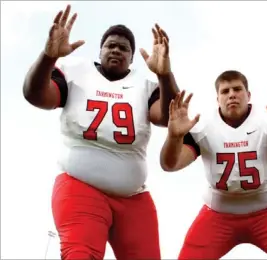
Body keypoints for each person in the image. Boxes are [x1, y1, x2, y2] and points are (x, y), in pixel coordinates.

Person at [23, 4, 180, 260]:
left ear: (132, 57)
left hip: (133, 196)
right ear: (101, 51)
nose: (116, 50)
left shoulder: (144, 84)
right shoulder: (76, 72)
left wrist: (165, 75)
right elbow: (36, 95)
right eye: (111, 45)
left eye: (124, 48)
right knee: (80, 254)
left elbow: (166, 117)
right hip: (80, 185)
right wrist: (48, 56)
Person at [160, 70, 267, 259]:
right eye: (225, 91)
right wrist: (173, 137)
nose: (232, 95)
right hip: (218, 214)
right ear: (217, 98)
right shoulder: (202, 126)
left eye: (237, 89)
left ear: (248, 95)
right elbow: (170, 165)